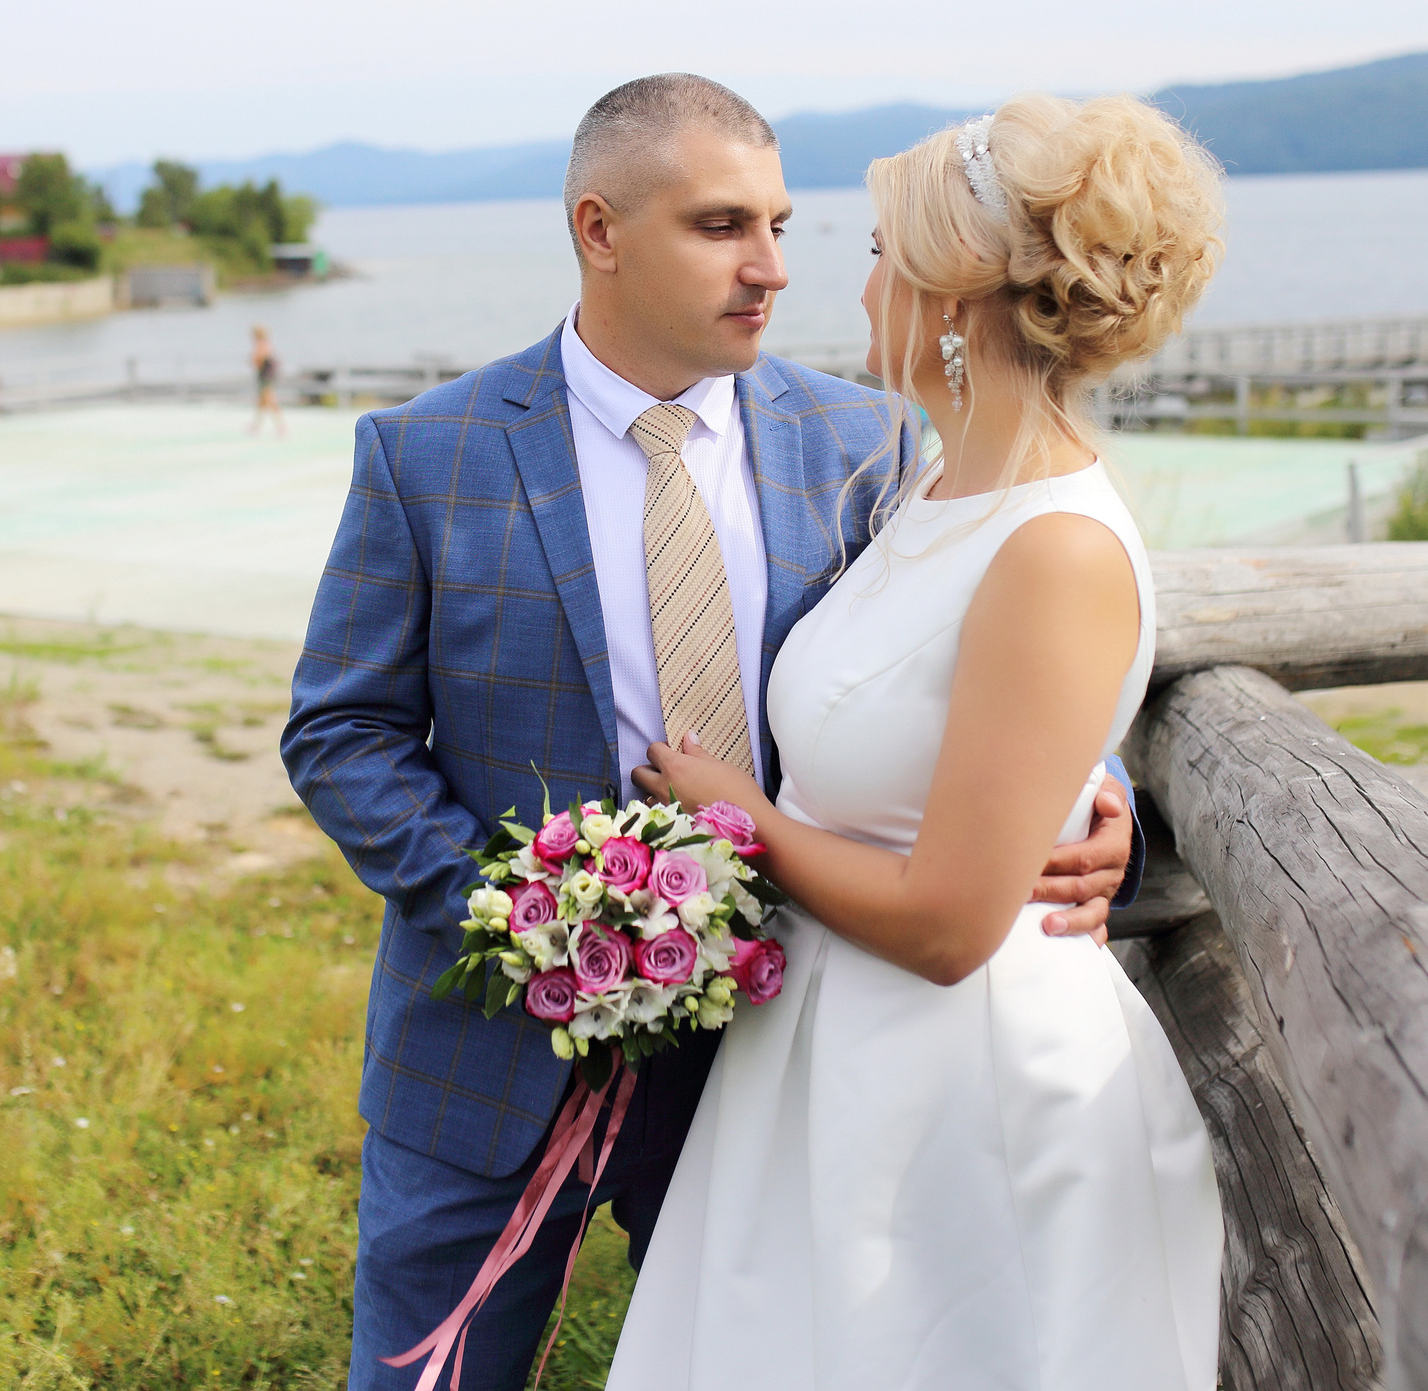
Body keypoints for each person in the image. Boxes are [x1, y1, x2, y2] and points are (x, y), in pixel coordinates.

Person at [281, 75, 1142, 1391]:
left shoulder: (865, 440)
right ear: (600, 228)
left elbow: (963, 638)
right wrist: (520, 917)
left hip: (777, 1039)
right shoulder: (428, 452)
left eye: (780, 225)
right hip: (487, 1054)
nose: (772, 267)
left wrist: (1097, 788)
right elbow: (343, 728)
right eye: (722, 225)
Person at [610, 96, 1227, 1390]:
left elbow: (950, 925)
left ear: (952, 296)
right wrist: (1083, 783)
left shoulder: (1057, 546)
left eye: (882, 252)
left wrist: (740, 814)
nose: (852, 282)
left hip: (966, 1096)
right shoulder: (930, 483)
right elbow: (951, 718)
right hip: (832, 1058)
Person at [249, 323, 287, 437]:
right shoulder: (266, 344)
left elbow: (259, 360)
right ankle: (257, 425)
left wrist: (254, 360)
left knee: (269, 401)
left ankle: (280, 426)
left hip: (265, 376)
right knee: (262, 402)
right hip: (267, 375)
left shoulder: (261, 345)